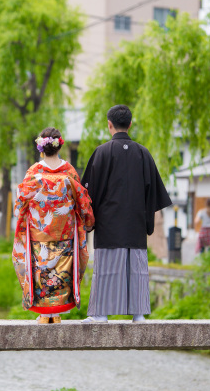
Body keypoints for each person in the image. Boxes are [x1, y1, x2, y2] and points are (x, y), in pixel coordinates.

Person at [80, 105, 172, 323]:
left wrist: (89, 221)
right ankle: (138, 314)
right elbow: (153, 192)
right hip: (135, 224)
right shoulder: (143, 153)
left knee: (105, 270)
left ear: (109, 125)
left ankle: (100, 314)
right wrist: (146, 219)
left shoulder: (102, 152)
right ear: (130, 124)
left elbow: (88, 193)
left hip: (108, 224)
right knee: (136, 270)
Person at [13, 127, 95, 324]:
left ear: (41, 149)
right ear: (60, 147)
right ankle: (56, 314)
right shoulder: (69, 171)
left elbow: (21, 201)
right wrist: (88, 220)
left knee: (41, 270)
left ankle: (44, 314)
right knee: (61, 272)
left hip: (39, 232)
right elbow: (82, 200)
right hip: (64, 232)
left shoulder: (34, 172)